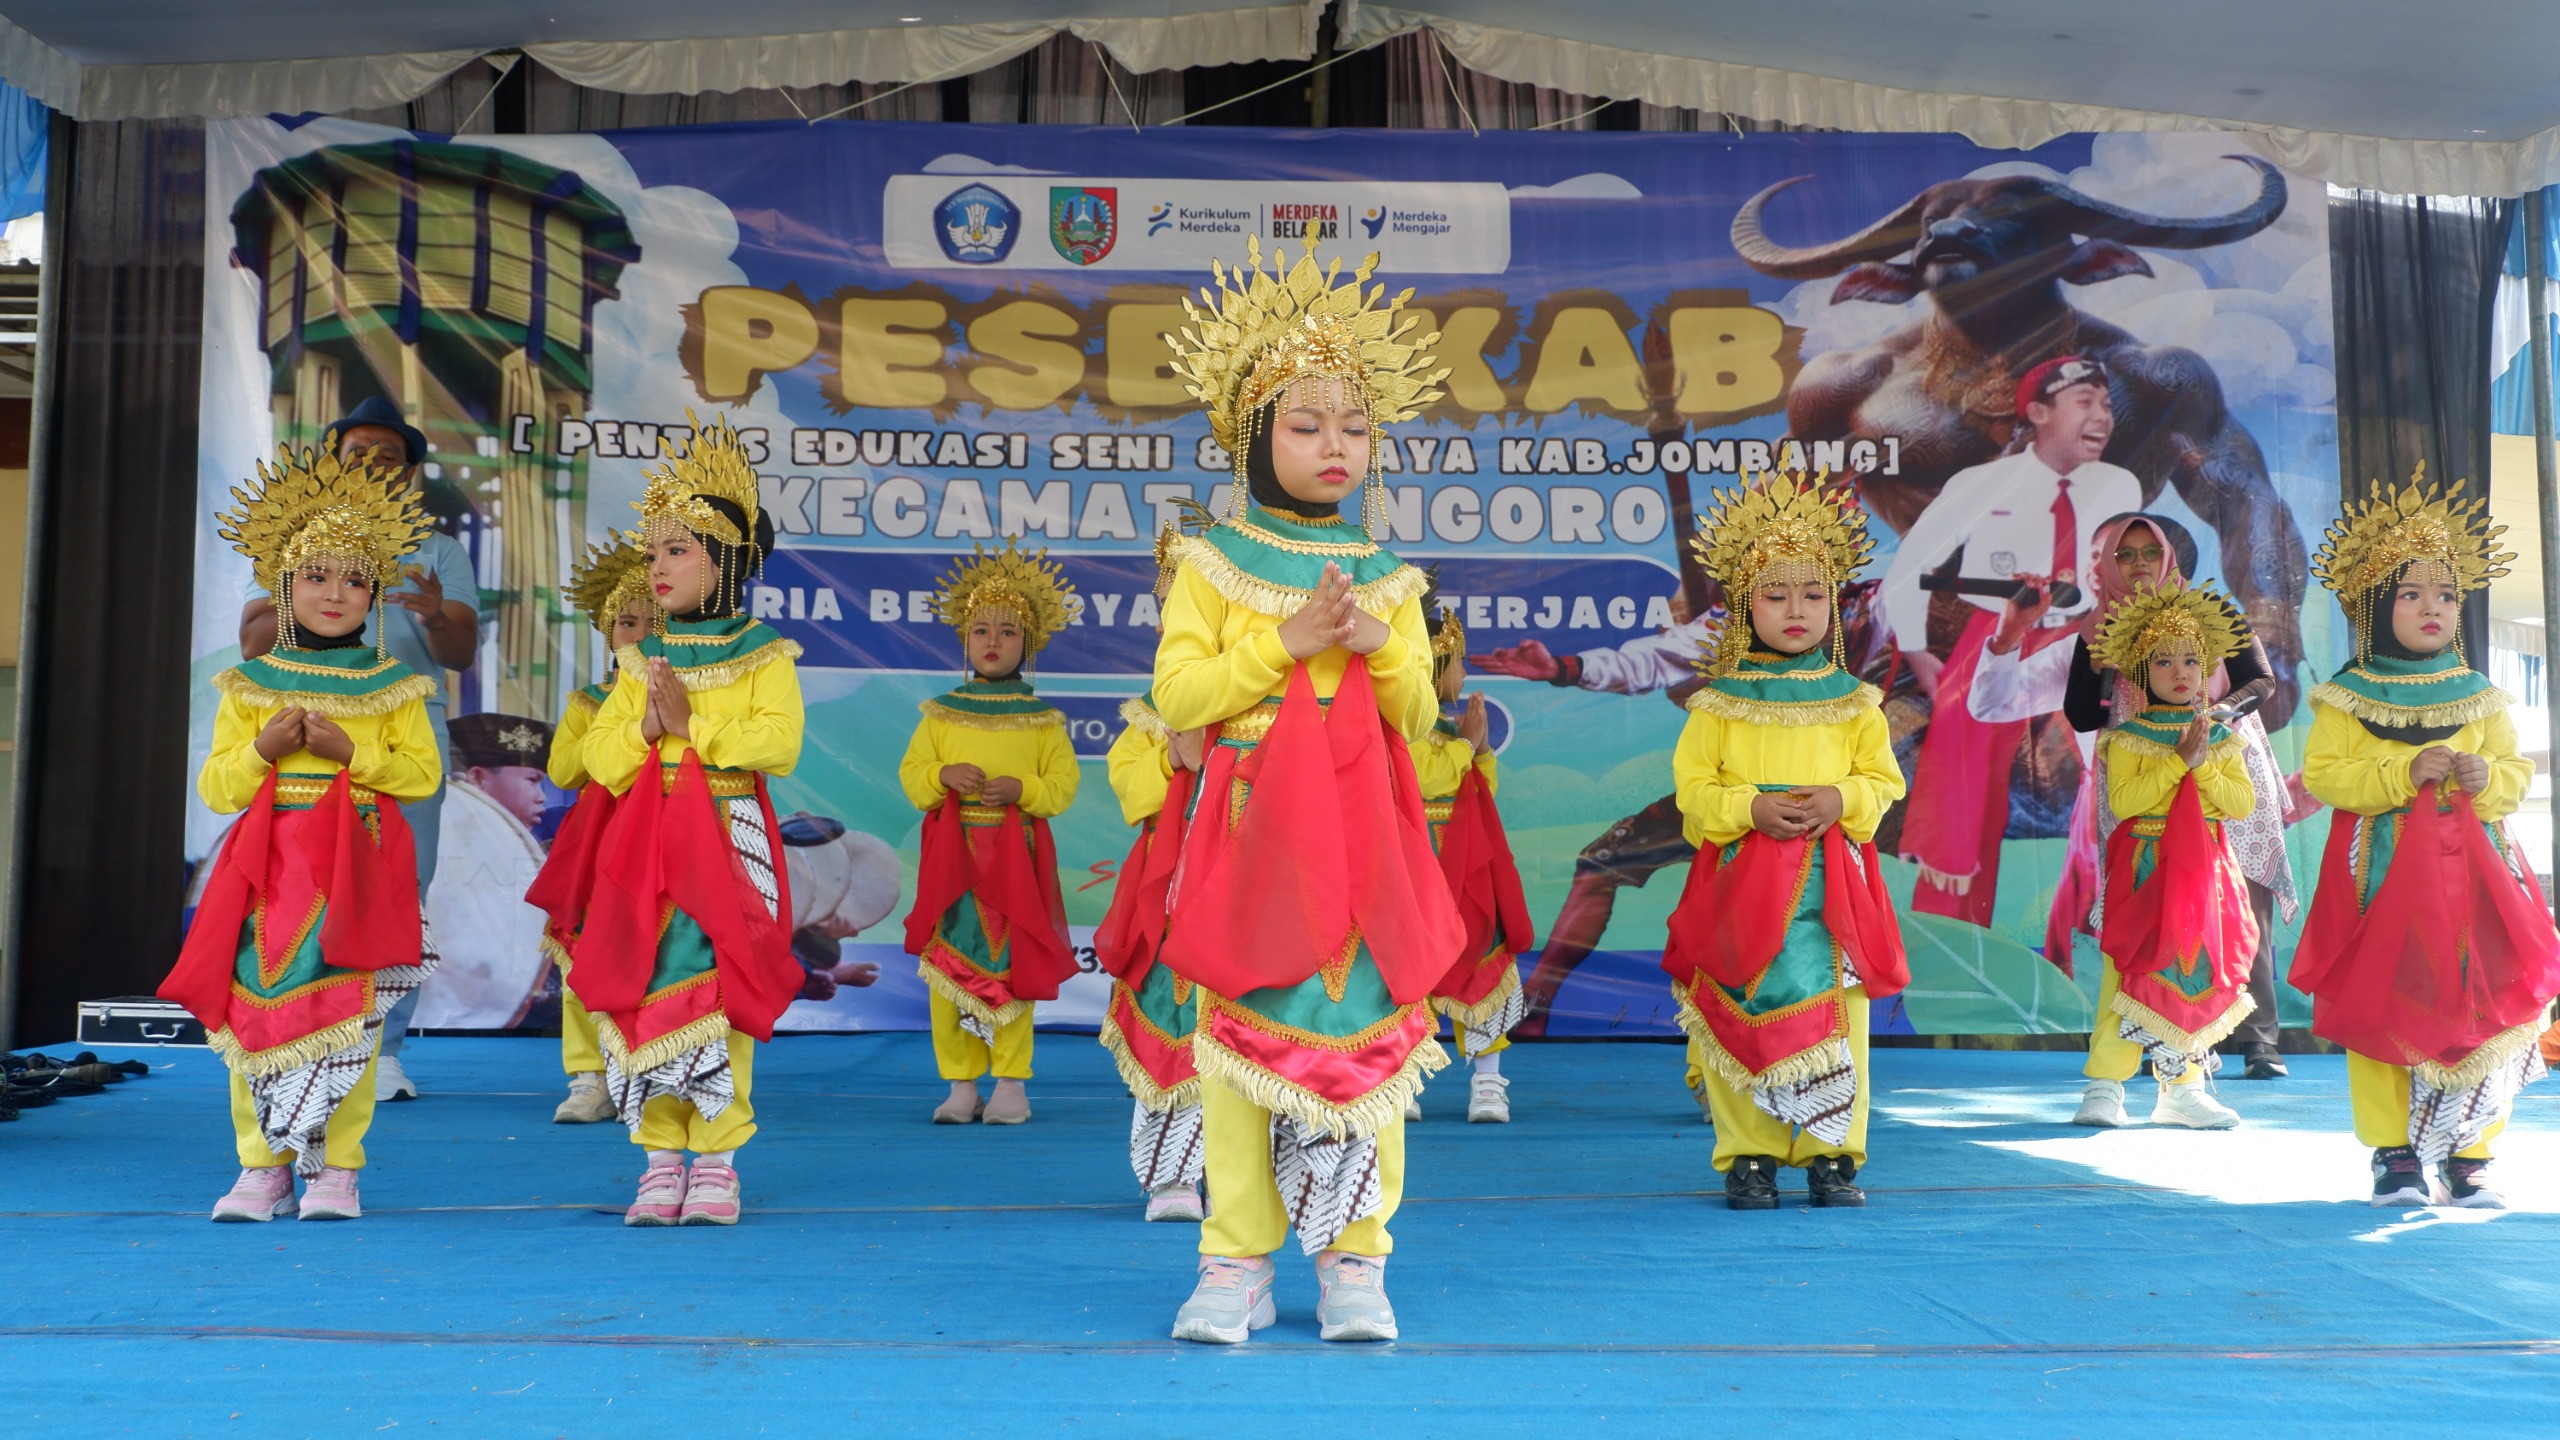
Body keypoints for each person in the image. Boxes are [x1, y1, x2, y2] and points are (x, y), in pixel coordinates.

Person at [1154, 239, 1456, 1344]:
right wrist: (1284, 644)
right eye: (1305, 424)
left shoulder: (1391, 578)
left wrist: (1378, 645)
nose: (1335, 447)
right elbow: (1180, 694)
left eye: (1355, 427)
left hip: (1367, 825)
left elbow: (1420, 721)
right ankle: (1233, 1261)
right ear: (1252, 434)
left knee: (1370, 1033)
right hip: (1247, 825)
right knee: (1239, 1031)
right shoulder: (1210, 560)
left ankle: (1355, 1261)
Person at [164, 446, 440, 1222]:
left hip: (359, 866)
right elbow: (219, 786)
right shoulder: (251, 684)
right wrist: (264, 750)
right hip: (270, 870)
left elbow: (420, 774)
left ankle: (337, 1167)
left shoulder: (393, 684)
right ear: (284, 585)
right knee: (254, 1006)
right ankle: (263, 1164)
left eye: (355, 579)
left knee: (350, 1010)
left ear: (375, 594)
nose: (336, 593)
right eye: (317, 575)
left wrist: (354, 753)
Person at [2294, 474, 2559, 1209]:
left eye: (2445, 594)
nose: (2433, 607)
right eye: (2410, 593)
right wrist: (2401, 769)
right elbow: (2328, 776)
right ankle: (2395, 1155)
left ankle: (2470, 1155)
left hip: (2477, 873)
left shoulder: (2479, 691)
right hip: (2379, 872)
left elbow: (2511, 776)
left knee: (2483, 999)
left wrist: (2487, 775)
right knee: (2386, 999)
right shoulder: (2345, 695)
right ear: (2376, 606)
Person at [572, 416, 804, 1227]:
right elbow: (601, 759)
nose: (659, 567)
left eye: (679, 550)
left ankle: (717, 1159)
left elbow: (777, 744)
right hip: (645, 835)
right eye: (654, 551)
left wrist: (689, 728)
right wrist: (644, 727)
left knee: (720, 982)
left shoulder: (767, 654)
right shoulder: (642, 662)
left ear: (726, 560)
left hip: (729, 831)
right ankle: (658, 1157)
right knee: (642, 978)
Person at [1969, 512, 2299, 1078]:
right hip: (2142, 778)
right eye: (2126, 555)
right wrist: (2099, 670)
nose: (2140, 563)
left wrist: (2213, 717)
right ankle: (2163, 1036)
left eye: (2150, 552)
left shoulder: (2211, 613)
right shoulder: (2095, 632)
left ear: (2171, 556)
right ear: (2103, 568)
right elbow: (2080, 711)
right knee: (2151, 902)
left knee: (2239, 899)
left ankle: (2258, 1039)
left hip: (2221, 760)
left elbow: (2260, 680)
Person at [1661, 467, 1908, 1211]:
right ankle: (1751, 1156)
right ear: (1744, 605)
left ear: (1833, 604)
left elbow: (1885, 783)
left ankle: (1834, 1156)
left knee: (1841, 1015)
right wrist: (1749, 809)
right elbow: (1693, 793)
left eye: (1811, 594)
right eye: (1775, 594)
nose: (1795, 610)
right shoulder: (1718, 705)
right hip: (1743, 884)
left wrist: (1841, 797)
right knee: (1739, 1003)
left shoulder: (1857, 702)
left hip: (1834, 889)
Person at [238, 397, 480, 1102]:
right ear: (331, 463)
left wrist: (435, 612)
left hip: (406, 726)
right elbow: (253, 643)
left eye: (389, 456)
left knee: (402, 884)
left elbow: (462, 650)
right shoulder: (296, 541)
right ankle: (298, 1036)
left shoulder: (436, 550)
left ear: (409, 476)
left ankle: (384, 1051)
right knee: (297, 883)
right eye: (358, 452)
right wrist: (300, 587)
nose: (373, 464)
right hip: (305, 724)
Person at [1881, 356, 2140, 926]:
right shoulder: (1983, 483)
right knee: (1961, 777)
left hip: (2088, 633)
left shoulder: (2120, 484)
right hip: (1997, 632)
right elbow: (1911, 565)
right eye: (2085, 403)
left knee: (2117, 766)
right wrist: (1920, 649)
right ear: (2039, 412)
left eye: (2105, 404)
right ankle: (1952, 929)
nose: (2102, 417)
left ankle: (2108, 919)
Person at [897, 540, 1081, 1127]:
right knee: (946, 966)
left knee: (1013, 963)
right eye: (981, 631)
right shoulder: (939, 713)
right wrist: (940, 774)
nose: (993, 641)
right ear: (964, 641)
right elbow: (912, 778)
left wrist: (1023, 789)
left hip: (1015, 857)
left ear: (1028, 643)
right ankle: (958, 1082)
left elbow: (1062, 787)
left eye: (1007, 631)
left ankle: (1010, 1083)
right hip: (954, 858)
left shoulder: (1044, 719)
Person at [2070, 581, 2258, 1130]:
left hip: (2204, 869)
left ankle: (2184, 1087)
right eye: (2164, 661)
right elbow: (2126, 803)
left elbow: (2240, 803)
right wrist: (2178, 762)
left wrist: (2199, 762)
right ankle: (2106, 1085)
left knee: (2196, 967)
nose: (2180, 672)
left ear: (2207, 670)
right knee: (2128, 970)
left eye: (2191, 661)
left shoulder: (2221, 737)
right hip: (2144, 867)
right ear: (2140, 670)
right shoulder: (2126, 738)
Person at [1094, 516, 1216, 1220]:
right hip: (1170, 896)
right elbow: (1130, 792)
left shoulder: (1260, 704)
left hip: (1246, 885)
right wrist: (1174, 758)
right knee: (1170, 1007)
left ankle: (1245, 1174)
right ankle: (1173, 1175)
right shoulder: (1148, 716)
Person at [527, 532, 653, 1125]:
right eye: (628, 622)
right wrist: (615, 722)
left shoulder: (694, 691)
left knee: (658, 947)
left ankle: (651, 1068)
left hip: (662, 837)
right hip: (597, 842)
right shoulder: (586, 701)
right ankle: (589, 1075)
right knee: (580, 951)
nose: (641, 634)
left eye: (654, 621)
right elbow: (563, 771)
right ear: (608, 632)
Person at [1409, 597, 1533, 1123]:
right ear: (1434, 665)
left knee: (1483, 955)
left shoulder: (1448, 726)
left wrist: (1477, 752)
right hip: (1416, 863)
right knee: (1408, 967)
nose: (1464, 671)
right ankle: (1403, 1083)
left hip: (1466, 863)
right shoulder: (1401, 728)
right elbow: (1425, 781)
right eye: (1457, 661)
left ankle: (1488, 1083)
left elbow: (1480, 791)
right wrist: (1467, 748)